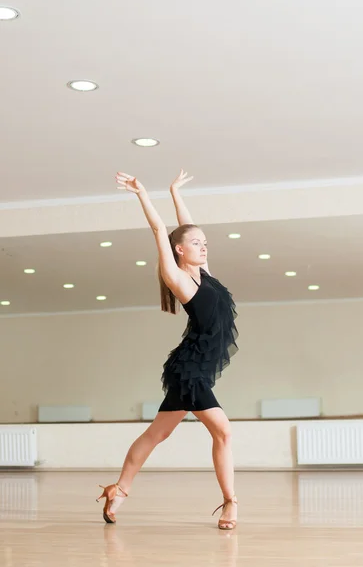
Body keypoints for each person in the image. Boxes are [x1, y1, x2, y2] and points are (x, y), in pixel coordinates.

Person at [96, 169, 239, 529]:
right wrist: (143, 193)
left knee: (156, 434)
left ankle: (119, 490)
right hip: (189, 369)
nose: (203, 246)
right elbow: (163, 232)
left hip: (195, 366)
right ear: (179, 250)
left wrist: (175, 192)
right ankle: (230, 503)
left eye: (205, 243)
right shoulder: (177, 277)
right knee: (223, 431)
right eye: (195, 244)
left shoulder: (204, 271)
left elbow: (185, 227)